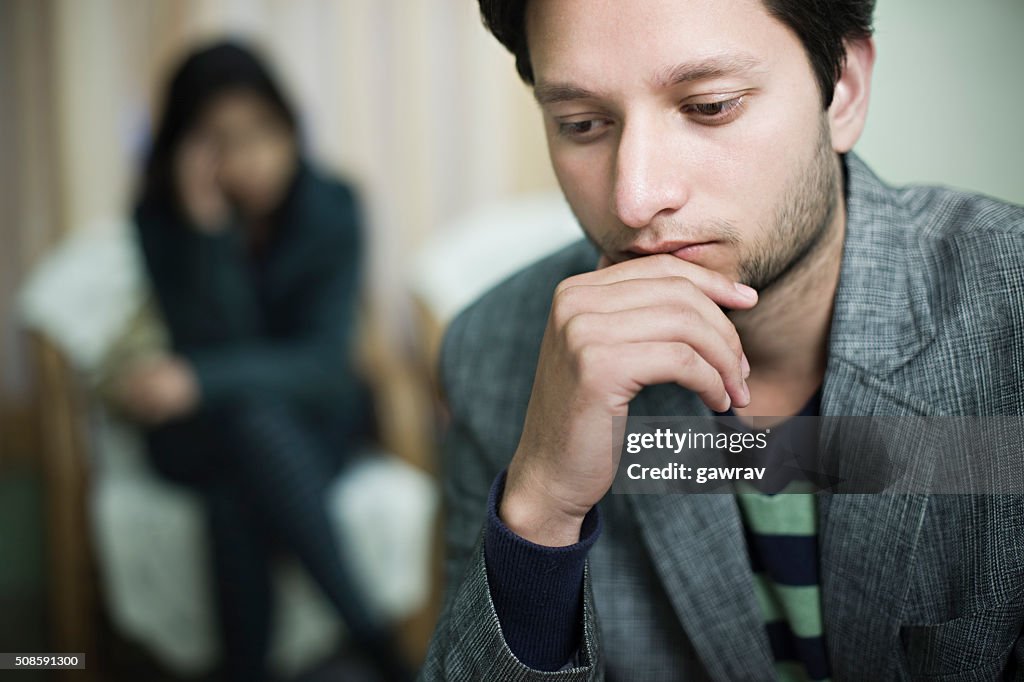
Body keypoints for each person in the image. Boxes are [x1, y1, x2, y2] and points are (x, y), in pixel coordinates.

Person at [420, 1, 1024, 680]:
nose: (636, 198)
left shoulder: (1010, 308)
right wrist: (540, 509)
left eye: (709, 106)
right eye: (582, 124)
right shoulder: (491, 355)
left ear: (844, 89)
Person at [113, 41, 409, 682]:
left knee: (239, 475)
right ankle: (377, 643)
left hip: (310, 418)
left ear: (289, 127)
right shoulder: (160, 220)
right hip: (204, 431)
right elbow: (213, 338)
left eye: (261, 134)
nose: (248, 159)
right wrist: (209, 232)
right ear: (186, 150)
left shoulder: (333, 204)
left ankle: (245, 669)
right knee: (245, 426)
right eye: (220, 141)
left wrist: (200, 379)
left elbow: (325, 362)